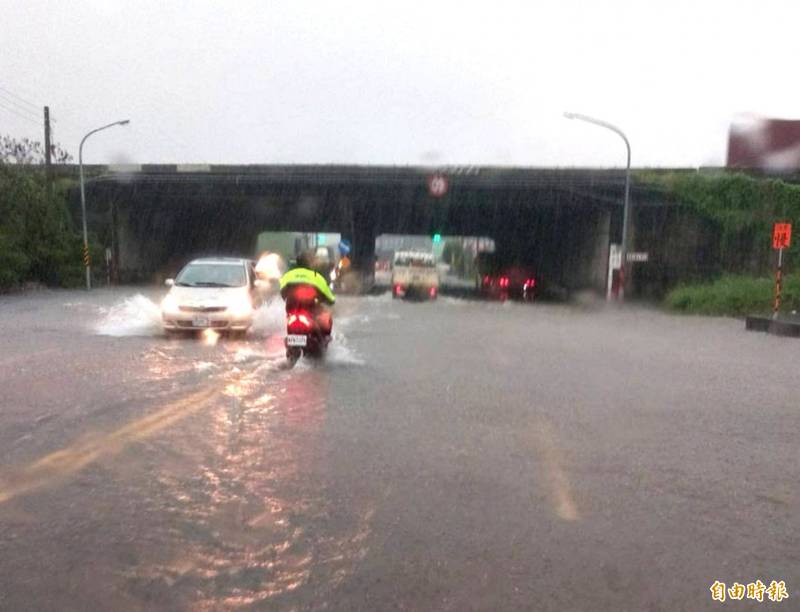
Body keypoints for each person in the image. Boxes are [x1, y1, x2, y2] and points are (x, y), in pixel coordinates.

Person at [279, 250, 335, 334]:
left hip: (291, 310)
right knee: (326, 317)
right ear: (310, 264)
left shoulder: (287, 275)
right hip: (311, 311)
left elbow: (283, 293)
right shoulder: (316, 277)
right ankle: (324, 340)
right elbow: (330, 298)